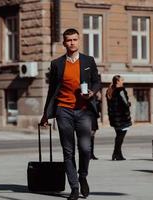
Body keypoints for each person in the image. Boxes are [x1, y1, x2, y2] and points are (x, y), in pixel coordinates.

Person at [40, 28, 100, 200]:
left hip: (84, 111)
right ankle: (74, 187)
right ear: (64, 43)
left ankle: (83, 176)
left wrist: (92, 93)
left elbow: (97, 82)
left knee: (85, 148)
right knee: (68, 151)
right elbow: (52, 90)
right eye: (69, 40)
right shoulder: (57, 64)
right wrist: (46, 114)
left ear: (78, 41)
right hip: (63, 110)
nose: (72, 43)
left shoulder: (88, 60)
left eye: (75, 39)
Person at [106, 75, 132, 161]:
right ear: (117, 81)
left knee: (118, 136)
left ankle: (118, 154)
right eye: (121, 80)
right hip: (122, 117)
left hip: (114, 117)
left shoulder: (110, 90)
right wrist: (129, 104)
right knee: (120, 136)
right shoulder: (120, 90)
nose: (123, 81)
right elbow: (125, 103)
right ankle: (115, 154)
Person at [90, 92, 101, 160]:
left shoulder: (96, 100)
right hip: (90, 118)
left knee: (92, 137)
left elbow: (98, 111)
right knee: (90, 137)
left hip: (93, 118)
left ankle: (91, 154)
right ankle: (89, 154)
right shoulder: (92, 99)